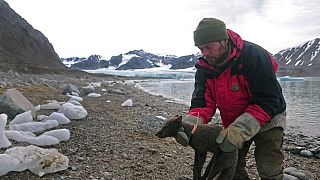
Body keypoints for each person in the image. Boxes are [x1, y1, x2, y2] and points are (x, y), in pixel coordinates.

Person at [176, 18, 287, 180]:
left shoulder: (254, 56)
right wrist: (189, 126)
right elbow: (202, 103)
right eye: (201, 49)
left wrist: (240, 130)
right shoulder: (204, 67)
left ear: (223, 41)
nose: (204, 54)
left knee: (269, 167)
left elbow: (268, 100)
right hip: (233, 121)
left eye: (209, 47)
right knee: (230, 166)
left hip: (270, 117)